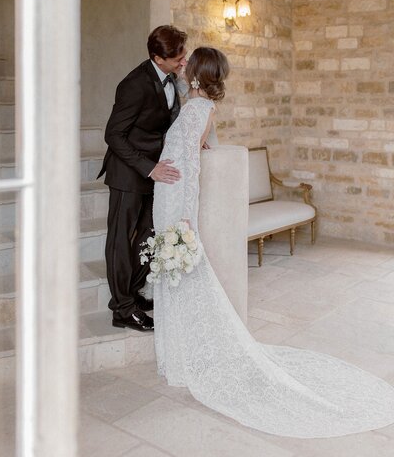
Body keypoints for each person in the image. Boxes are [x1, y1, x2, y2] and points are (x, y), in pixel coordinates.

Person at [152, 46, 394, 438]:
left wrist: (185, 215)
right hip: (166, 191)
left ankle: (185, 356)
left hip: (176, 198)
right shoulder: (191, 105)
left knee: (183, 273)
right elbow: (189, 149)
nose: (184, 65)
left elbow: (193, 165)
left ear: (196, 72)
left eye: (189, 62)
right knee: (173, 273)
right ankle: (176, 354)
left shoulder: (198, 109)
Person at [98, 25, 188, 332]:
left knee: (151, 233)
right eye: (177, 57)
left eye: (183, 54)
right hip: (128, 172)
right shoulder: (134, 84)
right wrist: (148, 168)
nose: (183, 60)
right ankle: (121, 309)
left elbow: (166, 122)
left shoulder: (172, 78)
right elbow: (113, 134)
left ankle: (132, 293)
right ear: (157, 58)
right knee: (120, 242)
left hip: (155, 169)